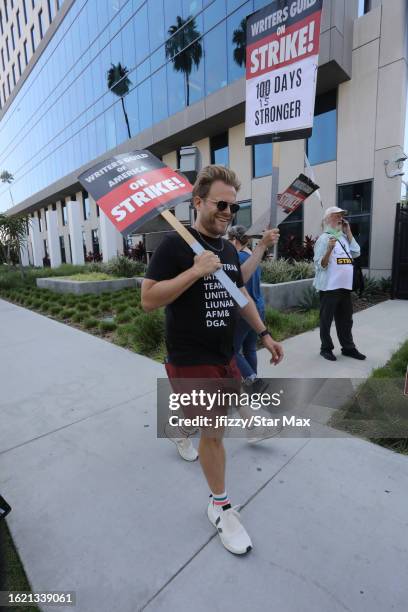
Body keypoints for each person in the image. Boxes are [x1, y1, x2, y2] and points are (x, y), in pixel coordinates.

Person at [142, 165, 284, 555]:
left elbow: (240, 297)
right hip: (190, 360)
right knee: (215, 433)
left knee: (208, 421)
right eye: (220, 203)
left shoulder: (227, 250)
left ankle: (179, 429)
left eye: (233, 207)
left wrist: (265, 334)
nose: (227, 212)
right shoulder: (175, 247)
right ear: (198, 202)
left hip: (226, 357)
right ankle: (220, 506)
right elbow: (149, 299)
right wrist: (194, 271)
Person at [228, 225, 279, 390]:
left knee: (232, 350)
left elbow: (237, 282)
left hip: (246, 311)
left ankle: (254, 381)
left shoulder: (239, 257)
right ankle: (254, 381)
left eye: (229, 240)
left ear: (235, 240)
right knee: (250, 347)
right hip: (259, 306)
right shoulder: (252, 255)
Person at [313, 206, 366, 361]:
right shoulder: (324, 239)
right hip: (329, 287)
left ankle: (348, 348)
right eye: (336, 215)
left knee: (346, 320)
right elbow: (319, 265)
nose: (340, 218)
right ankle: (326, 348)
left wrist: (348, 232)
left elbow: (356, 253)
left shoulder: (342, 237)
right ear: (327, 218)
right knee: (326, 319)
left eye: (341, 216)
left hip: (345, 287)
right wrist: (329, 249)